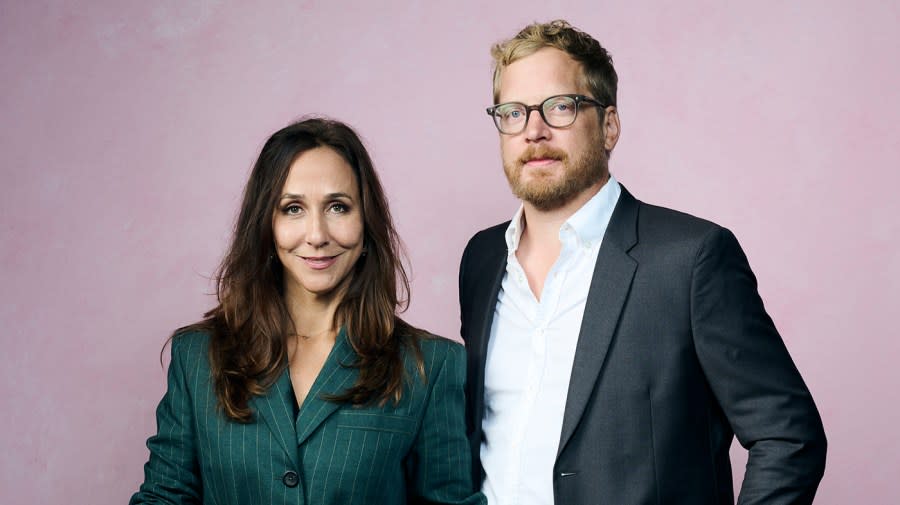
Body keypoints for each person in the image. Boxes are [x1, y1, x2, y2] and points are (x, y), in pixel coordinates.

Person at [459, 20, 827, 505]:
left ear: (609, 126)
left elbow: (788, 436)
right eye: (512, 112)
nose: (534, 130)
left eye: (560, 107)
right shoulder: (482, 260)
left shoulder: (691, 258)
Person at [132, 118, 484, 505]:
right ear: (267, 225)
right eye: (293, 208)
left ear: (366, 221)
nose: (317, 235)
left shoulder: (429, 366)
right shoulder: (197, 358)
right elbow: (164, 497)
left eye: (338, 206)